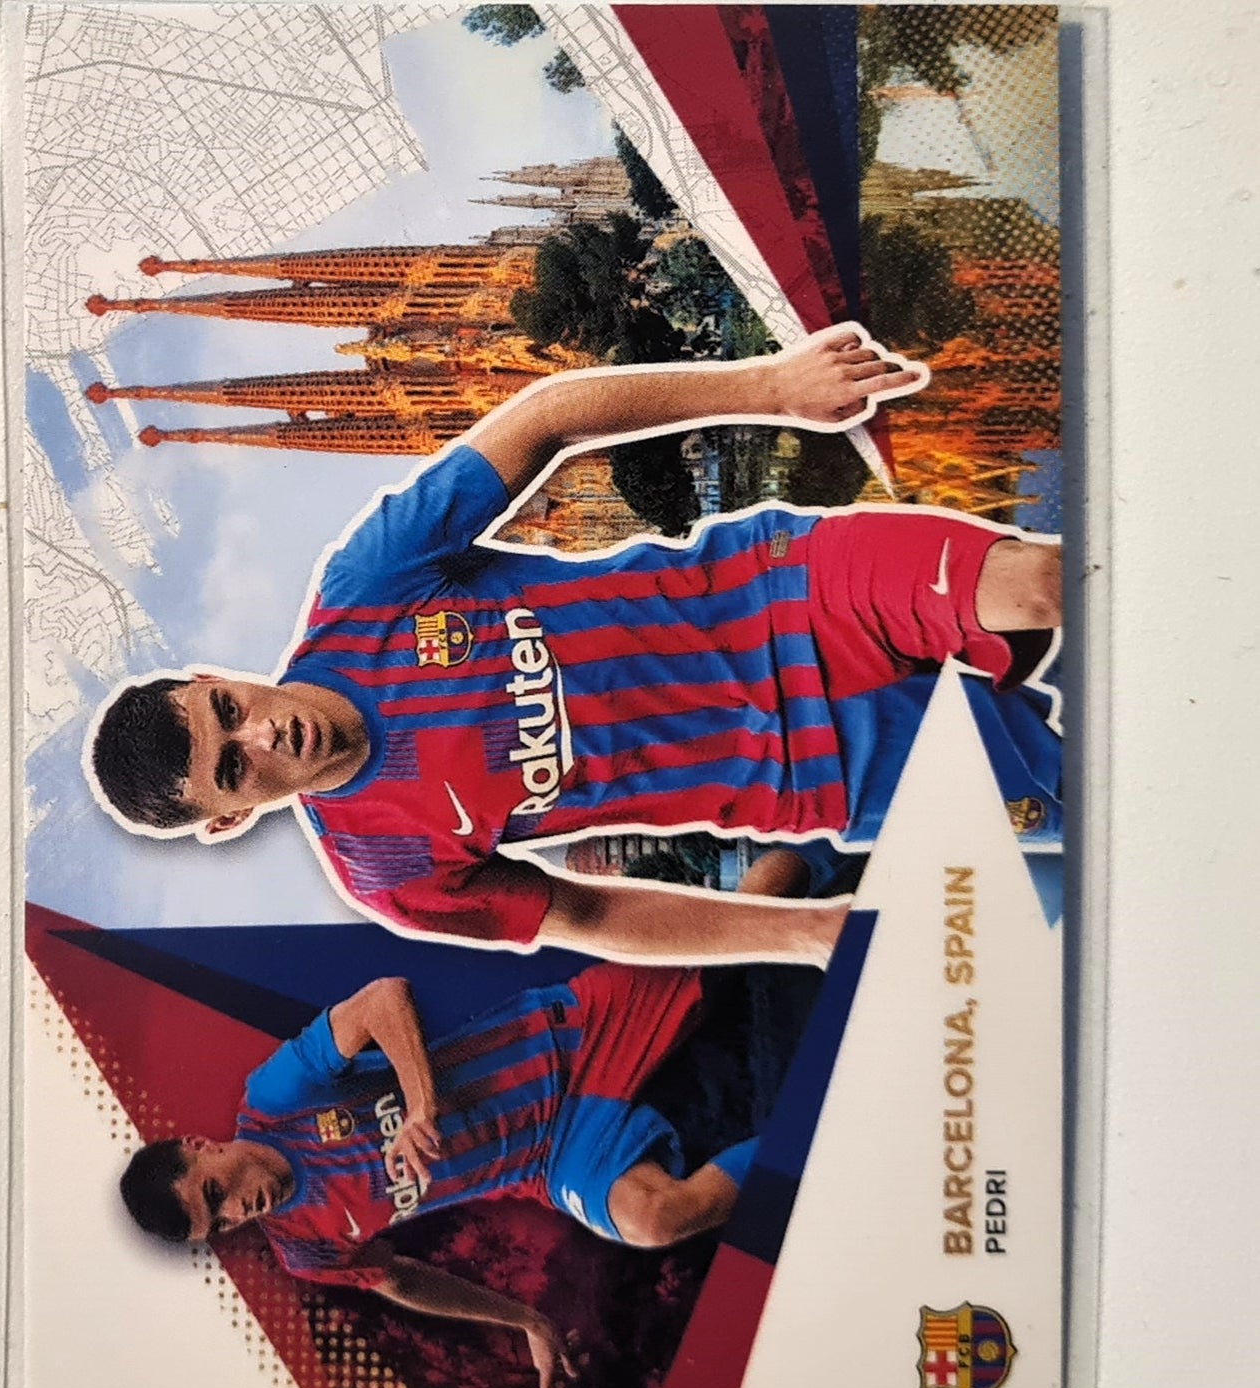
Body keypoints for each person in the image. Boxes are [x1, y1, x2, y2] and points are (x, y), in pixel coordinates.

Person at [88, 326, 1062, 965]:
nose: (261, 734)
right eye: (233, 766)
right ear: (228, 818)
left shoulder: (367, 585)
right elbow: (589, 917)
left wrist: (768, 384)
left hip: (785, 592)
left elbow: (544, 419)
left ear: (217, 677)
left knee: (1037, 587)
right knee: (1084, 797)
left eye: (228, 711)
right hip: (817, 772)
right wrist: (807, 933)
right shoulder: (388, 869)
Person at [120, 965, 756, 1388]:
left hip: (564, 1039)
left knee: (755, 928)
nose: (237, 1211)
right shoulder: (304, 1249)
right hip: (553, 1155)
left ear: (199, 1147)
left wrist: (419, 1108)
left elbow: (382, 998)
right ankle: (801, 1145)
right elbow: (400, 1279)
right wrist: (526, 1321)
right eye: (221, 1223)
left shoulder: (276, 1096)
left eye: (215, 1193)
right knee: (653, 1220)